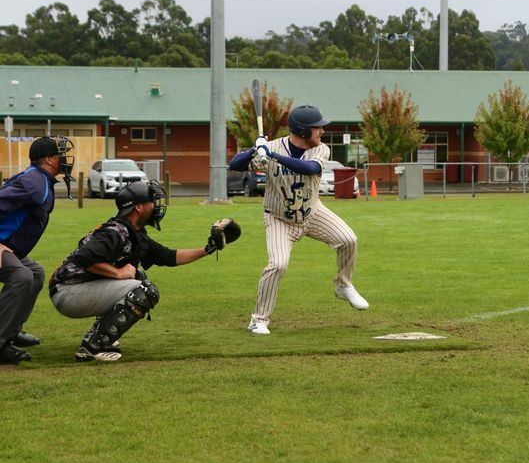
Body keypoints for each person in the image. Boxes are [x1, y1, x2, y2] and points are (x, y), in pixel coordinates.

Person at [49, 179, 241, 362]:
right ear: (138, 207)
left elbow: (169, 256)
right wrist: (118, 274)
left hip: (75, 289)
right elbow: (82, 258)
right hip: (68, 292)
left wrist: (209, 248)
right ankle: (93, 347)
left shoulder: (135, 233)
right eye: (152, 201)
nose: (156, 206)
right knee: (143, 291)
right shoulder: (115, 232)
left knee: (138, 278)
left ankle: (100, 336)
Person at [229, 104, 368, 335]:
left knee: (348, 239)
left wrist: (272, 155)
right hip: (279, 219)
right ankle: (258, 320)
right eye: (317, 128)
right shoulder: (270, 147)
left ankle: (343, 285)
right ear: (303, 131)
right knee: (278, 264)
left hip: (312, 213)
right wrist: (255, 149)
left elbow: (310, 168)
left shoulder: (320, 149)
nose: (322, 131)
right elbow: (234, 165)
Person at [0, 135, 74, 364]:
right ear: (49, 159)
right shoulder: (34, 183)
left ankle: (11, 331)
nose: (65, 159)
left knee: (35, 273)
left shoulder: (39, 180)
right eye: (60, 155)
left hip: (11, 248)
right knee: (21, 276)